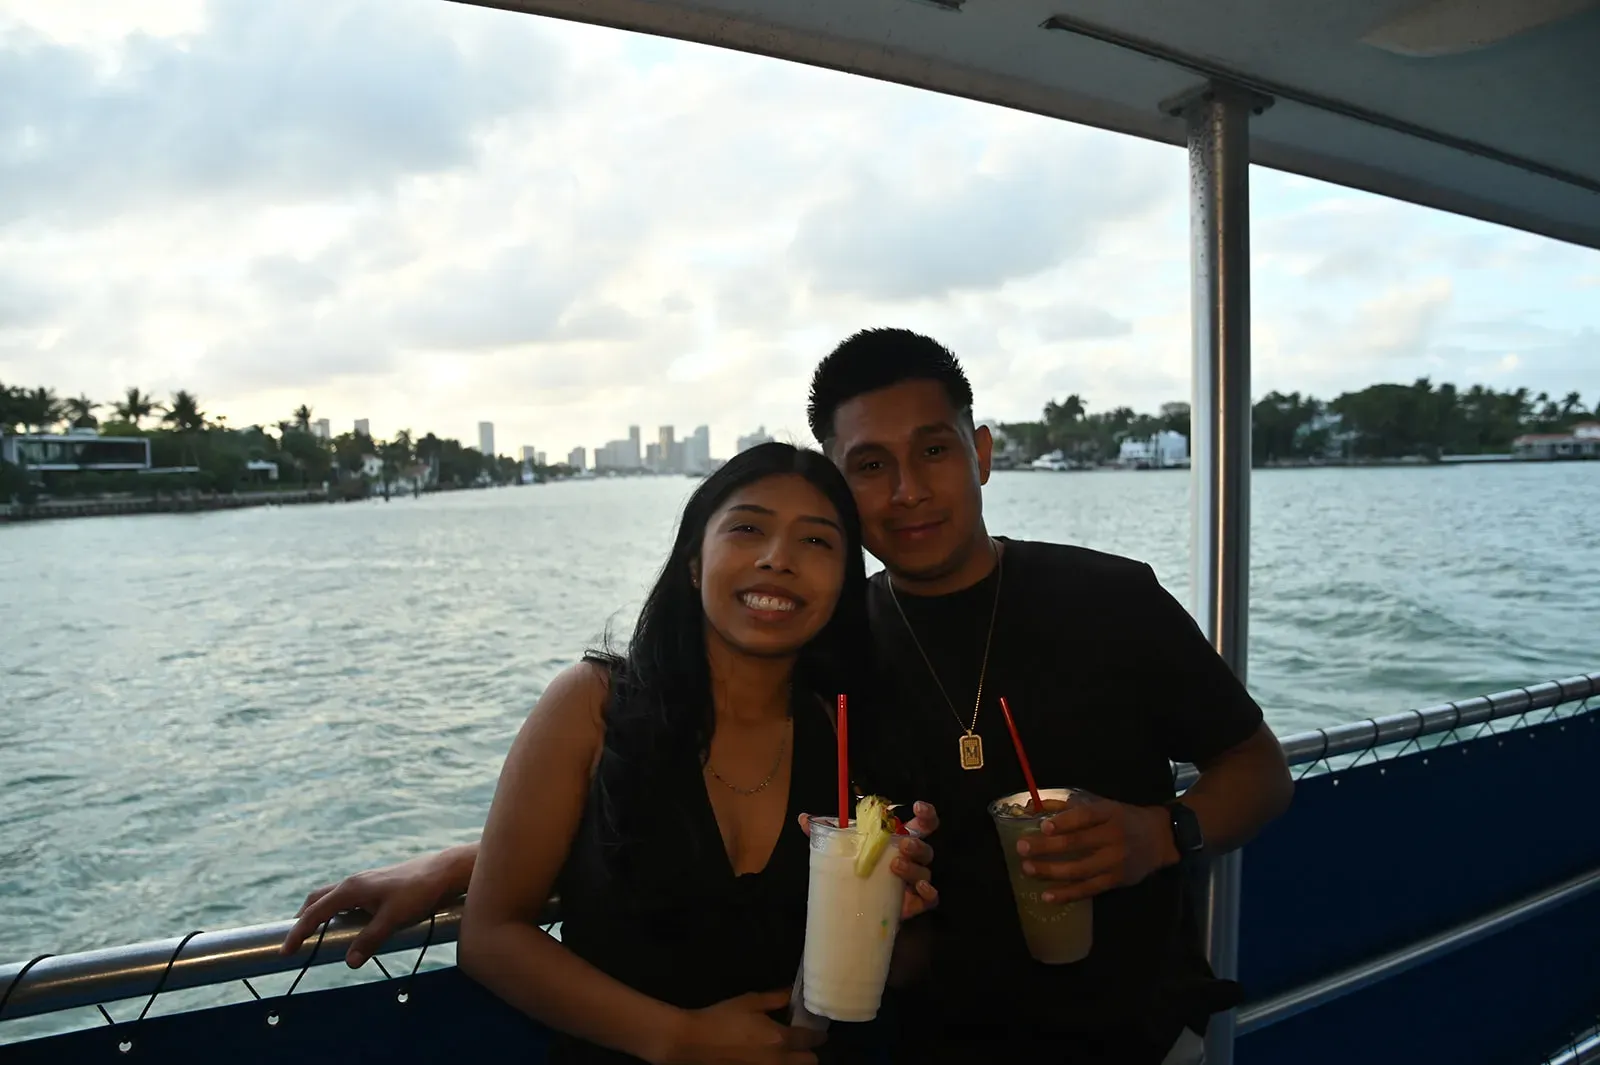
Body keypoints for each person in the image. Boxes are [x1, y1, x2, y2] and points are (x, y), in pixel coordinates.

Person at [284, 330, 1293, 1065]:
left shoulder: (1105, 597)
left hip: (1124, 1033)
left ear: (979, 455)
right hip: (929, 1040)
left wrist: (1165, 833)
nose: (907, 488)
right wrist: (480, 858)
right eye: (868, 467)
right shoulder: (836, 650)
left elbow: (1258, 768)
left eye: (934, 450)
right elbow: (709, 795)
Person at [321, 442, 938, 1065]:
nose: (778, 560)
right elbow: (491, 937)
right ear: (695, 562)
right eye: (748, 528)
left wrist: (897, 913)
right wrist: (678, 1039)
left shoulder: (853, 737)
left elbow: (905, 971)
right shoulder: (593, 705)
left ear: (842, 583)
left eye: (816, 542)